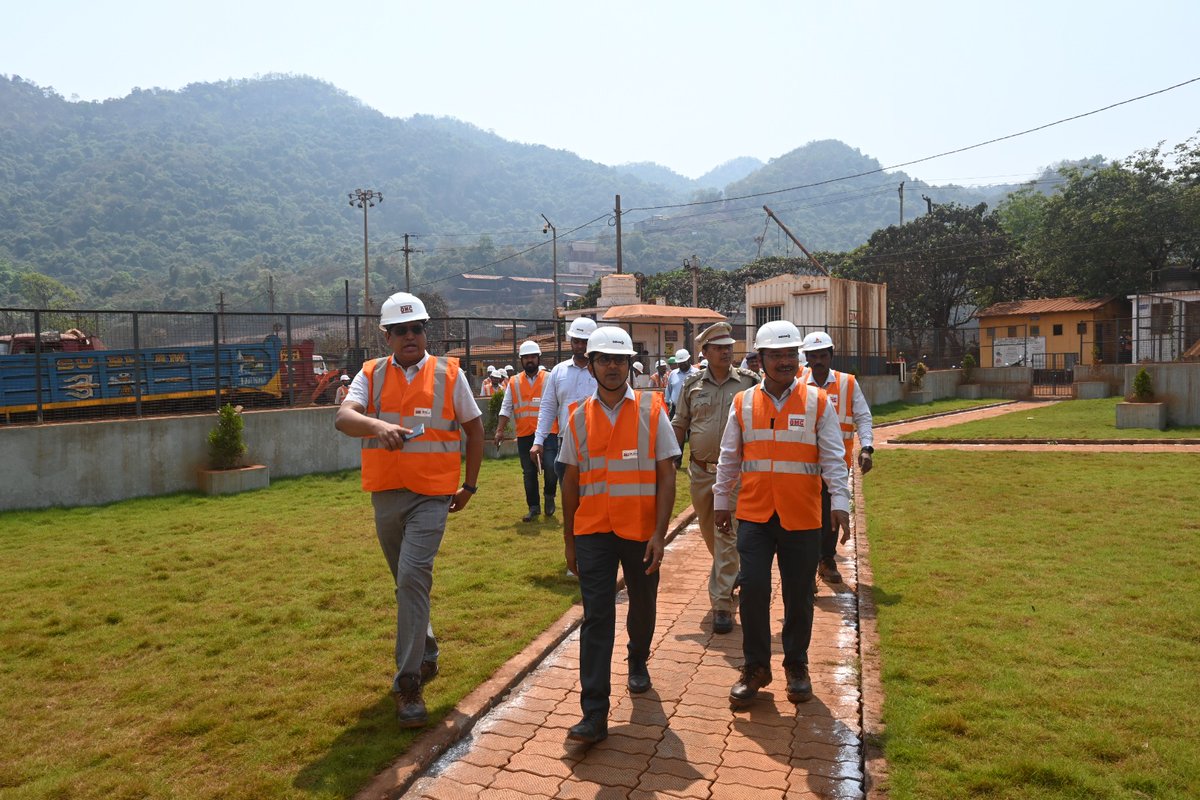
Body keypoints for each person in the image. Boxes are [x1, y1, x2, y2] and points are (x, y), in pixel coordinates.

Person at [334, 291, 484, 729]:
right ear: (387, 336)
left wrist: (470, 485)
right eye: (400, 330)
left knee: (413, 577)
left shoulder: (449, 375)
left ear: (425, 332)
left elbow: (475, 431)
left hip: (433, 496)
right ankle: (428, 649)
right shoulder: (370, 375)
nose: (410, 336)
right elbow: (344, 418)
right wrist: (377, 424)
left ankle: (407, 684)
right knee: (405, 584)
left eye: (416, 328)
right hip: (387, 493)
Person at [713, 319, 850, 710]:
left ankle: (796, 665)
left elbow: (833, 458)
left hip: (802, 516)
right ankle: (756, 667)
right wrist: (722, 500)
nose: (785, 362)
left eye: (792, 354)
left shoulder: (816, 402)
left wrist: (840, 503)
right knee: (753, 587)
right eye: (777, 355)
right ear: (761, 359)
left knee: (799, 595)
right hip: (755, 514)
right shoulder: (743, 402)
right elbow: (729, 457)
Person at [560, 326, 679, 744]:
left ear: (631, 364)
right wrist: (570, 540)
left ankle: (637, 659)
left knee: (643, 604)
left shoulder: (651, 410)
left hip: (640, 531)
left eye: (620, 359)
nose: (612, 367)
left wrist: (660, 535)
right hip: (593, 531)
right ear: (591, 365)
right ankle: (594, 712)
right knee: (597, 617)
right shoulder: (577, 416)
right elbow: (569, 483)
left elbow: (667, 476)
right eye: (604, 360)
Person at [672, 322, 759, 635]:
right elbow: (680, 423)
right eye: (719, 347)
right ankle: (731, 573)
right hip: (700, 472)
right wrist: (671, 460)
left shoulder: (750, 383)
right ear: (705, 352)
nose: (726, 351)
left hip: (735, 475)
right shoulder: (692, 385)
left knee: (727, 534)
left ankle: (722, 604)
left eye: (728, 346)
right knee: (711, 533)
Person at [799, 331, 875, 584]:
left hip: (836, 463)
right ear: (807, 358)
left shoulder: (847, 383)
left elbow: (863, 416)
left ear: (831, 356)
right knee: (805, 516)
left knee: (832, 512)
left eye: (823, 355)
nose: (818, 360)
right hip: (803, 463)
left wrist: (867, 447)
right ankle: (806, 567)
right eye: (813, 356)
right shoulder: (797, 382)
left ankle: (827, 559)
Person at [495, 340, 558, 522]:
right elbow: (506, 408)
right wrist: (500, 430)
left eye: (533, 357)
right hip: (524, 434)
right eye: (526, 357)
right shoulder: (513, 382)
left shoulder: (549, 378)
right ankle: (533, 507)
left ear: (538, 358)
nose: (530, 360)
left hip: (548, 432)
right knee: (529, 473)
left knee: (551, 467)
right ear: (521, 360)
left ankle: (549, 496)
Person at [530, 317, 598, 485]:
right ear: (571, 342)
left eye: (585, 342)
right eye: (576, 341)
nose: (580, 346)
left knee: (595, 492)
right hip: (567, 442)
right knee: (569, 493)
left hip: (597, 440)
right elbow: (548, 408)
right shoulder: (559, 371)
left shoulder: (602, 370)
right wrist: (538, 441)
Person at [664, 348, 698, 413]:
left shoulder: (697, 373)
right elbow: (668, 390)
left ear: (689, 360)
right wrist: (667, 404)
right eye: (679, 363)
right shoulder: (673, 374)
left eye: (684, 362)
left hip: (692, 410)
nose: (682, 364)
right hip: (675, 410)